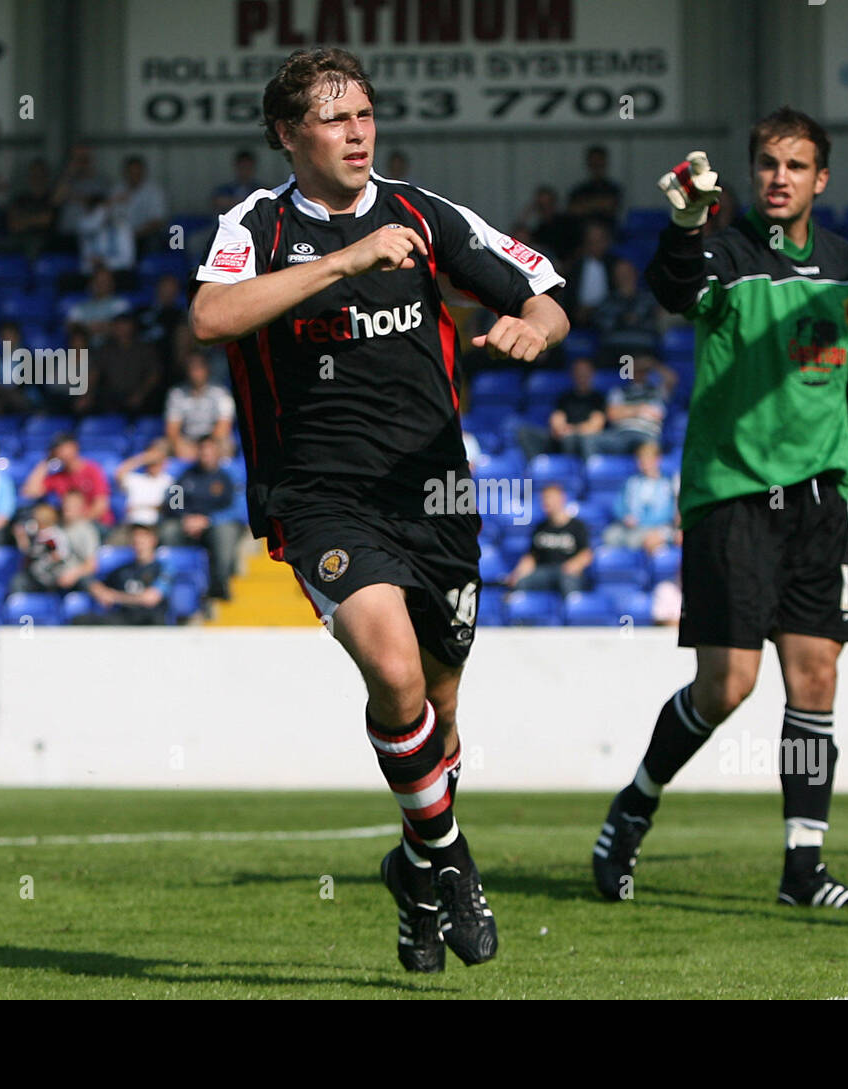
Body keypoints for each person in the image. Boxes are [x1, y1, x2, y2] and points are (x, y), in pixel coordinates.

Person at [188, 47, 567, 973]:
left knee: (435, 709)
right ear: (288, 134)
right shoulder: (259, 226)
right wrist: (347, 260)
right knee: (395, 676)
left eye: (364, 114)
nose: (356, 132)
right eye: (333, 117)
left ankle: (410, 865)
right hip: (320, 497)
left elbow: (547, 294)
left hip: (435, 493)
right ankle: (447, 859)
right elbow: (212, 317)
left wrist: (531, 325)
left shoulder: (425, 215)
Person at [593, 109, 848, 912]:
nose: (781, 177)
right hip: (731, 494)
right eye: (769, 163)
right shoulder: (722, 250)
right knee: (727, 686)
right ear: (753, 171)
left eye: (797, 166)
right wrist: (683, 220)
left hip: (818, 503)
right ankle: (632, 807)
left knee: (816, 677)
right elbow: (676, 288)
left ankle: (802, 869)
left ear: (822, 179)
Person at [159, 435, 240, 600]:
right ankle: (173, 584)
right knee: (168, 531)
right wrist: (186, 519)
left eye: (210, 450)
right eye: (203, 450)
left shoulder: (226, 477)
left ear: (217, 453)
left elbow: (235, 508)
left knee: (225, 533)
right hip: (186, 524)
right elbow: (173, 502)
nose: (206, 454)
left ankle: (219, 585)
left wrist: (208, 520)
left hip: (215, 524)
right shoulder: (185, 475)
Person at [71, 522, 170, 625]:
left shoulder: (163, 568)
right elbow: (99, 586)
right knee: (81, 620)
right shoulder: (123, 570)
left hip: (150, 620)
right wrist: (98, 590)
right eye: (135, 536)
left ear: (153, 540)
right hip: (125, 619)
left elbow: (151, 598)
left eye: (144, 537)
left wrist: (115, 597)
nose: (138, 541)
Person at [502, 482, 592, 594]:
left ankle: (573, 610)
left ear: (561, 499)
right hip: (544, 571)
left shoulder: (577, 526)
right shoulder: (541, 527)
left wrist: (574, 565)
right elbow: (531, 556)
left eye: (550, 498)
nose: (546, 502)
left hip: (567, 571)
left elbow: (586, 553)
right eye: (544, 499)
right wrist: (517, 574)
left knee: (569, 583)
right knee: (522, 583)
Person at [516, 356, 606, 460]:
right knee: (524, 432)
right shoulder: (565, 397)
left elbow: (595, 426)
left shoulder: (598, 398)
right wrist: (560, 429)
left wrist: (572, 431)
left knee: (572, 439)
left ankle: (569, 470)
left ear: (592, 373)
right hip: (561, 438)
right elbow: (557, 420)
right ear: (572, 374)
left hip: (581, 441)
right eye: (578, 371)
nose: (581, 375)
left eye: (585, 371)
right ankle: (537, 467)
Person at [10, 493, 99, 595]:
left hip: (67, 576)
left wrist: (73, 574)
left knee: (85, 585)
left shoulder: (86, 531)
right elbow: (31, 548)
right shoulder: (51, 525)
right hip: (44, 573)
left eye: (72, 505)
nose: (67, 507)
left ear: (81, 508)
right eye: (65, 504)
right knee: (18, 581)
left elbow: (91, 565)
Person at [21, 433, 113, 527]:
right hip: (69, 525)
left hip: (94, 524)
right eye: (58, 450)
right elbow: (31, 492)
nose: (62, 453)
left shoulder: (93, 470)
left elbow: (101, 506)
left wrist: (80, 521)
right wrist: (46, 461)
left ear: (74, 447)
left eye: (64, 448)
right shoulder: (59, 477)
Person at [602, 441, 677, 554]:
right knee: (610, 535)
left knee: (647, 540)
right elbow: (619, 505)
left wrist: (646, 522)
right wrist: (625, 517)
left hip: (657, 528)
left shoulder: (668, 483)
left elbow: (670, 512)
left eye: (648, 460)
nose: (644, 464)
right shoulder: (631, 482)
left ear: (657, 460)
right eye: (641, 460)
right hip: (632, 528)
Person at [164, 350, 236, 459]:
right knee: (160, 447)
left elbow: (223, 427)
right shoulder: (176, 393)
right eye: (192, 368)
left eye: (199, 368)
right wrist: (182, 445)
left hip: (214, 441)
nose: (195, 372)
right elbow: (172, 430)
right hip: (186, 441)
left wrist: (205, 447)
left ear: (207, 369)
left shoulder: (221, 392)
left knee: (227, 446)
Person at [112, 438, 174, 541]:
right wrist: (143, 458)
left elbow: (175, 507)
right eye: (151, 461)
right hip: (131, 526)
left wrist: (143, 507)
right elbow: (118, 474)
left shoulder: (170, 482)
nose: (154, 463)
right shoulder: (136, 479)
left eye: (158, 460)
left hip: (155, 528)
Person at [110, 154, 167, 257]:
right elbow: (110, 216)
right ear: (125, 173)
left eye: (138, 172)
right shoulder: (117, 190)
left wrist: (134, 234)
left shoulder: (154, 191)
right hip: (120, 236)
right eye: (131, 172)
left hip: (145, 236)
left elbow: (158, 221)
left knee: (153, 242)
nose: (135, 175)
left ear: (143, 172)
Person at [567, 145, 623, 230]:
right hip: (583, 234)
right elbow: (574, 210)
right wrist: (600, 204)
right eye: (593, 160)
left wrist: (585, 205)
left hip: (607, 233)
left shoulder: (613, 188)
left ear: (605, 162)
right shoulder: (578, 189)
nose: (596, 164)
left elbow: (610, 206)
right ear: (588, 163)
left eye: (599, 160)